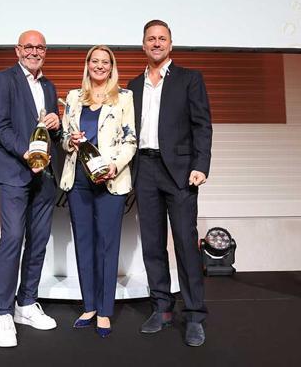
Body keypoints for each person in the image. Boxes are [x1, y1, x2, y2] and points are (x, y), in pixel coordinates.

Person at [127, 19, 212, 347]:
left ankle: (194, 315)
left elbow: (202, 125)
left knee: (186, 244)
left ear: (170, 44)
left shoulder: (190, 79)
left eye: (162, 38)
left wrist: (201, 165)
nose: (157, 43)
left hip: (180, 171)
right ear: (143, 45)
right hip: (144, 169)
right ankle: (161, 308)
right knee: (152, 244)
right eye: (151, 38)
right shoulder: (133, 86)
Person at [0, 30, 61, 348]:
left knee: (39, 240)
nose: (34, 51)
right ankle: (2, 312)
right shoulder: (3, 80)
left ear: (45, 52)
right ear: (18, 50)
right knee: (13, 238)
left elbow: (50, 132)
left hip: (44, 177)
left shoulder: (49, 86)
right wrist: (27, 153)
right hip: (13, 173)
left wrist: (56, 124)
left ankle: (26, 303)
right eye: (28, 46)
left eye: (40, 47)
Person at [60, 45, 136, 337]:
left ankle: (104, 310)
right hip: (78, 179)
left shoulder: (124, 97)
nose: (100, 66)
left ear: (112, 66)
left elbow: (130, 140)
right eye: (95, 61)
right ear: (88, 64)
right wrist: (71, 140)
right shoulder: (73, 97)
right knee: (84, 242)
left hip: (110, 179)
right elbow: (63, 138)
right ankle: (89, 306)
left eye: (106, 62)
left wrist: (115, 166)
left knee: (107, 244)